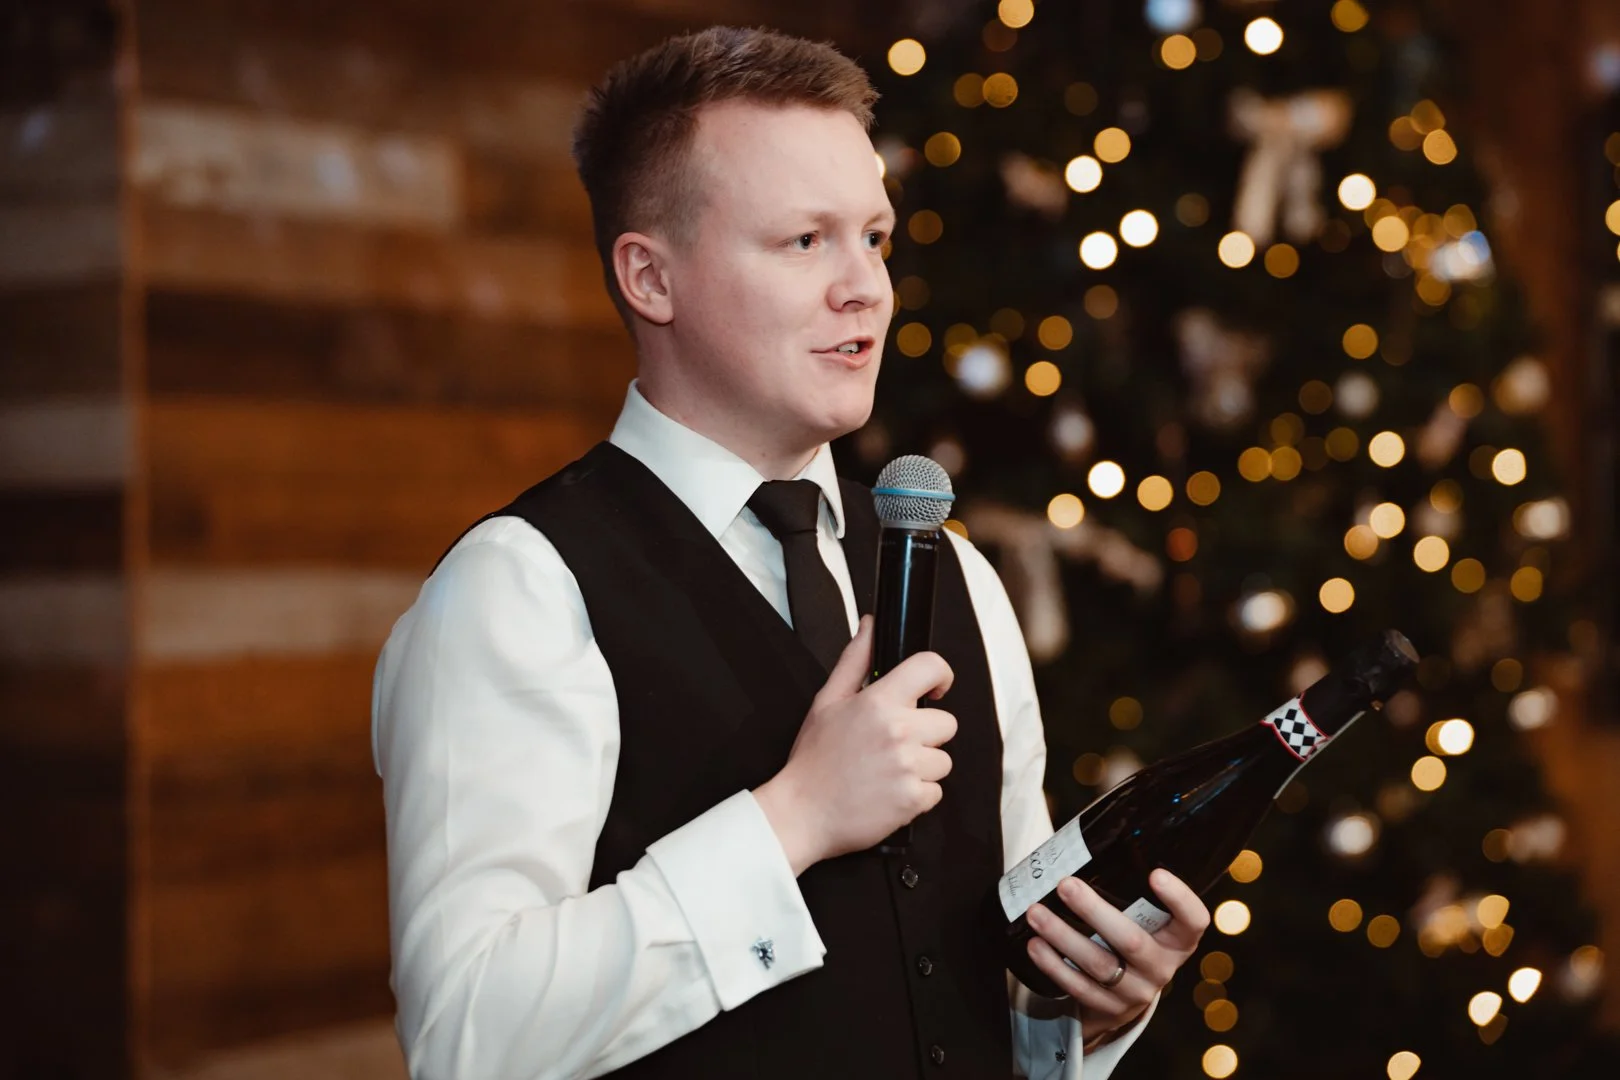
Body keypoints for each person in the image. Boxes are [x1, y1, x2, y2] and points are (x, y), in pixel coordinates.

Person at [372, 25, 1209, 1080]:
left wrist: (1080, 1013)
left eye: (875, 238)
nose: (866, 288)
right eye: (805, 241)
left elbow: (981, 987)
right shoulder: (522, 587)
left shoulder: (962, 576)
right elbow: (466, 1038)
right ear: (650, 278)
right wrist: (794, 818)